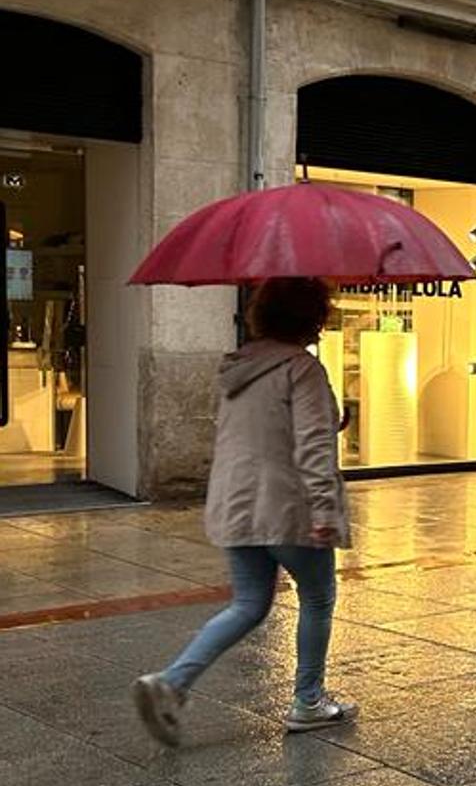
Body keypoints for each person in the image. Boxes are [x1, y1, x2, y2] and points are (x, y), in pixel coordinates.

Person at [133, 277, 357, 746]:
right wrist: (323, 509)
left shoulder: (238, 368)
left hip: (237, 508)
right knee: (317, 597)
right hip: (288, 507)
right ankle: (309, 701)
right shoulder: (303, 369)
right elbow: (313, 446)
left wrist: (329, 415)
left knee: (248, 604)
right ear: (312, 318)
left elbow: (266, 427)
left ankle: (172, 683)